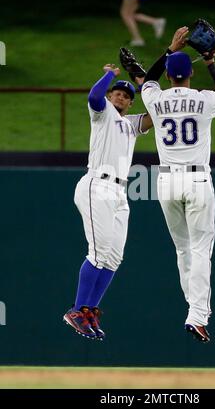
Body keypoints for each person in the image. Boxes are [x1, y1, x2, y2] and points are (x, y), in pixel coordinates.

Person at [141, 27, 215, 343]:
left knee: (183, 249)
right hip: (197, 179)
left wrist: (170, 47)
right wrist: (211, 62)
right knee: (200, 249)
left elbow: (147, 80)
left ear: (169, 76)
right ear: (190, 73)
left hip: (166, 180)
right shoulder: (204, 99)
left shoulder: (155, 99)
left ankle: (193, 311)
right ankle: (196, 315)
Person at [63, 65, 154, 340]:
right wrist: (109, 76)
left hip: (119, 193)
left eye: (126, 96)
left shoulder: (131, 124)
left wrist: (145, 82)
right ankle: (76, 310)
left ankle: (90, 309)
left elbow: (157, 116)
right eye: (117, 93)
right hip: (96, 184)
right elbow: (93, 97)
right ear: (111, 95)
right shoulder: (102, 112)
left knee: (114, 257)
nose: (120, 98)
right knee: (98, 252)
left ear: (131, 101)